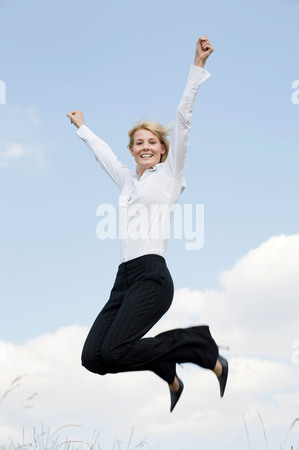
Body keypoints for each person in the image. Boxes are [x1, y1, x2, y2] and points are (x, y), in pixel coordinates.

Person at [67, 35, 228, 412]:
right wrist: (83, 128)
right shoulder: (129, 182)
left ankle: (199, 345)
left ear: (162, 149)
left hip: (153, 278)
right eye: (138, 143)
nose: (144, 147)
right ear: (133, 150)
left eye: (152, 142)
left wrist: (197, 67)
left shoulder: (170, 175)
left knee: (117, 349)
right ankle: (167, 370)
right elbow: (104, 157)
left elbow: (183, 119)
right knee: (95, 358)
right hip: (123, 280)